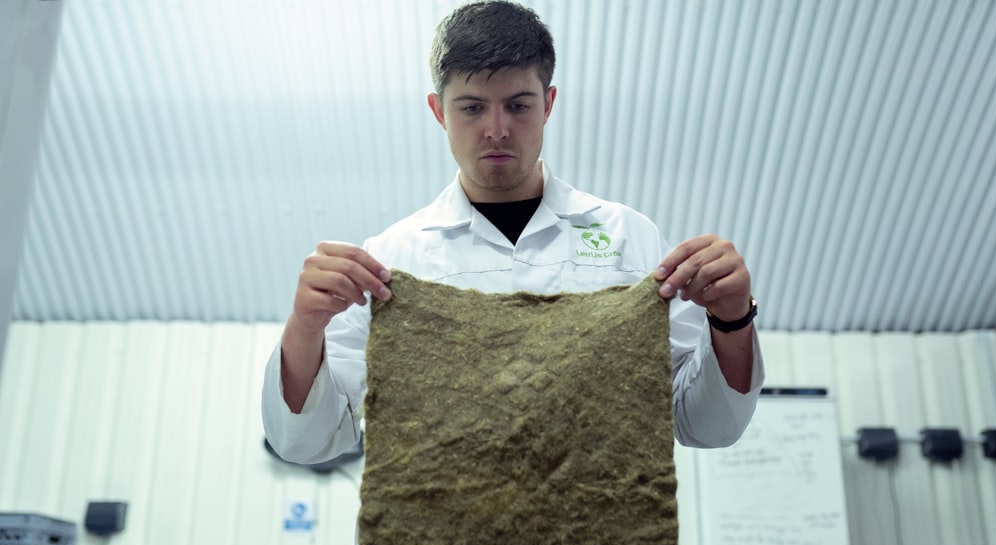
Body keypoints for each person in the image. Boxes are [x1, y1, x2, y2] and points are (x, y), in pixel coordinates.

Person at [262, 0, 763, 465]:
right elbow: (306, 441)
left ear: (548, 104)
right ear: (439, 111)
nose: (496, 129)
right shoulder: (393, 258)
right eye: (472, 107)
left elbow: (706, 425)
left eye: (518, 106)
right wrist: (305, 327)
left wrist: (732, 319)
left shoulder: (628, 239)